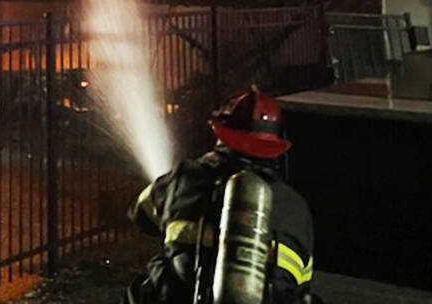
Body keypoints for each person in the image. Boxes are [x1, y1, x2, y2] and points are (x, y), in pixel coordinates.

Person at [123, 86, 316, 303]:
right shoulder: (295, 205)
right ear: (274, 146)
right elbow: (301, 281)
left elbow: (140, 215)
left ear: (220, 134)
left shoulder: (184, 177)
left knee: (141, 291)